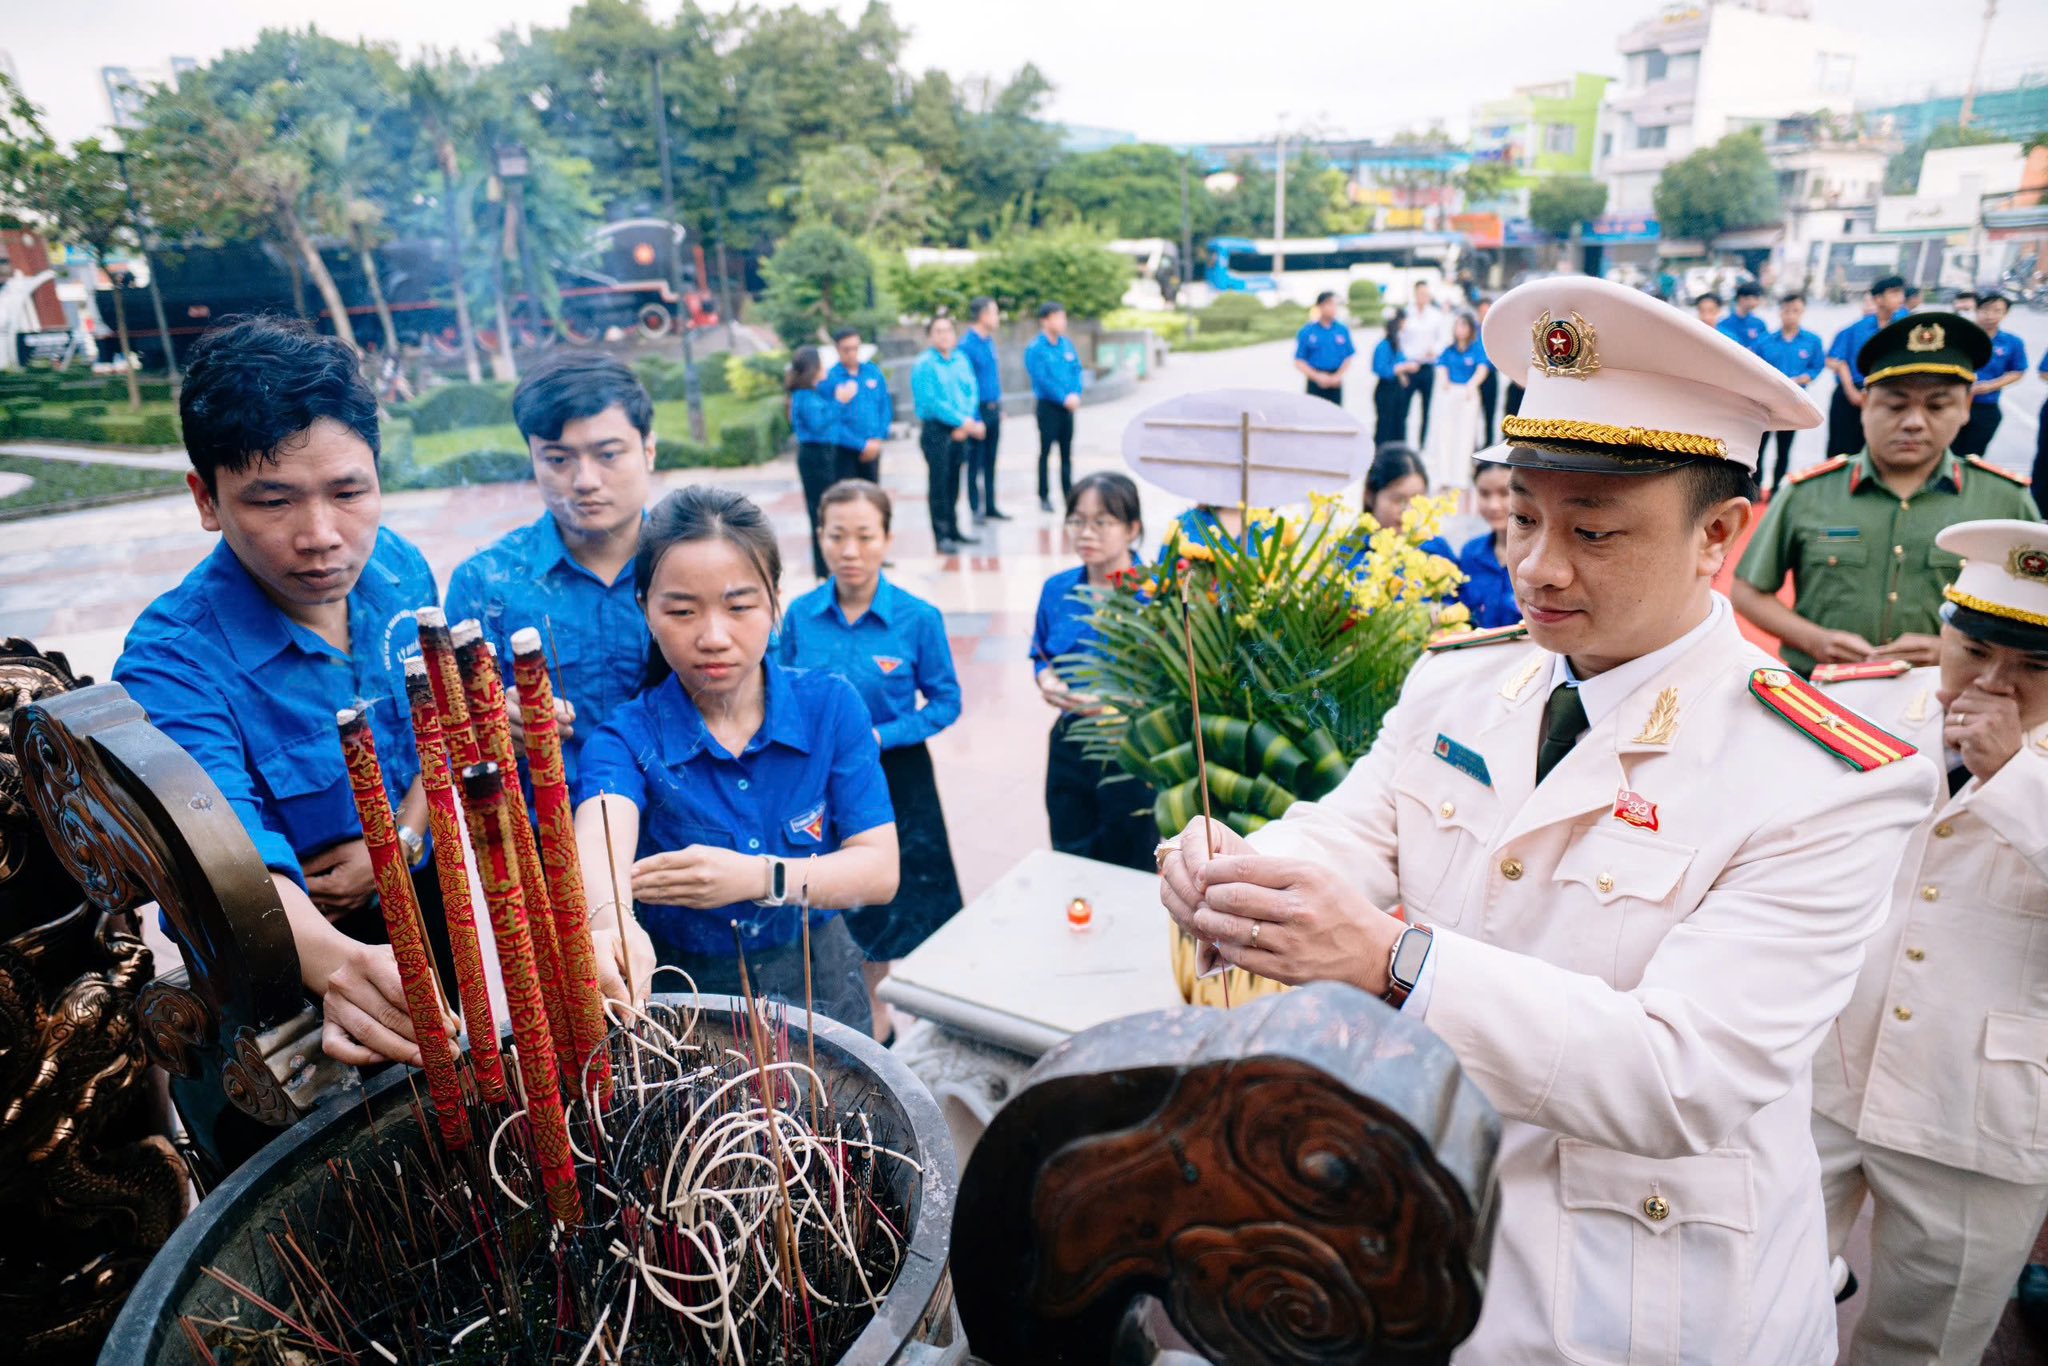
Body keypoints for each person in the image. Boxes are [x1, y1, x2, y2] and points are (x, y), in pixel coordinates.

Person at [1160, 274, 1935, 1362]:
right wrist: (1245, 868)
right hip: (1425, 1220)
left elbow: (1685, 1075)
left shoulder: (1825, 776)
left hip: (1642, 1290)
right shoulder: (1461, 684)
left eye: (1594, 530)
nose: (1537, 566)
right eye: (1523, 515)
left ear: (1718, 532)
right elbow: (1356, 830)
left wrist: (1393, 961)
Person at [113, 316, 452, 1069]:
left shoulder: (399, 569)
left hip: (431, 908)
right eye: (273, 502)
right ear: (207, 499)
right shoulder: (173, 662)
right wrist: (340, 965)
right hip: (286, 972)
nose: (322, 534)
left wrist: (400, 843)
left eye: (349, 491)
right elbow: (228, 864)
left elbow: (439, 731)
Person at [1808, 518, 2048, 1364]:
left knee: (1924, 1345)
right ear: (1940, 629)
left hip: (1978, 1112)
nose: (1992, 682)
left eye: (2034, 667)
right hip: (1824, 1068)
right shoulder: (1861, 702)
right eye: (1973, 649)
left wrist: (2014, 775)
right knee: (1744, 1298)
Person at [572, 486, 897, 1033]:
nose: (714, 637)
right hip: (689, 991)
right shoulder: (625, 738)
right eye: (682, 611)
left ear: (774, 602)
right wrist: (609, 921)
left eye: (739, 606)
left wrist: (759, 877)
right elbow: (600, 836)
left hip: (818, 976)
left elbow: (879, 870)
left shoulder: (830, 706)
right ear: (645, 609)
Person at [1733, 312, 2040, 676]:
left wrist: (1955, 649)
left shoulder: (2004, 501)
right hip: (1822, 694)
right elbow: (1748, 591)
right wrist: (1815, 640)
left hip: (1950, 695)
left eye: (1937, 406)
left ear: (1965, 409)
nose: (1914, 422)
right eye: (1896, 406)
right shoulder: (1807, 493)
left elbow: (2038, 609)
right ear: (1865, 404)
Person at [778, 481, 963, 1041]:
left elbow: (946, 700)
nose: (850, 551)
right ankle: (867, 1021)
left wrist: (884, 735)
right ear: (820, 537)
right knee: (838, 896)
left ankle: (895, 1020)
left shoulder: (917, 618)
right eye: (837, 536)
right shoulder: (801, 616)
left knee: (900, 900)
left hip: (898, 777)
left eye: (865, 536)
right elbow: (783, 691)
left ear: (887, 539)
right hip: (823, 780)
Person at [446, 350, 658, 783]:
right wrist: (492, 726)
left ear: (649, 450)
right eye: (558, 459)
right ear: (533, 457)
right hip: (546, 821)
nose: (585, 481)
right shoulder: (485, 585)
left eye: (608, 454)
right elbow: (448, 741)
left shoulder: (699, 567)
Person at [1034, 471, 1156, 872]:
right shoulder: (1057, 590)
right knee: (1072, 855)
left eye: (1102, 522)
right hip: (1071, 741)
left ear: (1133, 529)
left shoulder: (1157, 595)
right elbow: (1040, 652)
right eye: (1077, 520)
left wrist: (1118, 704)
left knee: (1133, 860)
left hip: (1133, 748)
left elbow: (1174, 679)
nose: (1086, 533)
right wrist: (1047, 681)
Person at [910, 315, 983, 555]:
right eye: (938, 331)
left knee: (954, 481)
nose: (944, 335)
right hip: (937, 430)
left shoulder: (961, 359)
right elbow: (931, 403)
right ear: (930, 336)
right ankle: (941, 534)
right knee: (939, 484)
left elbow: (972, 390)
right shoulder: (924, 364)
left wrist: (966, 421)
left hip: (963, 428)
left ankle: (954, 529)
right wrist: (962, 421)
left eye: (948, 330)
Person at [1824, 275, 1910, 459]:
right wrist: (1852, 392)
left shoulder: (1906, 327)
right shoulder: (1858, 328)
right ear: (1878, 299)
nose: (1900, 298)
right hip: (1852, 394)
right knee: (1841, 451)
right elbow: (1836, 360)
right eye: (1894, 293)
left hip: (1888, 396)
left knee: (1878, 451)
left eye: (1901, 293)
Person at [1752, 292, 1826, 494]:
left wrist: (1803, 379)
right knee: (1759, 447)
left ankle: (1777, 489)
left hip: (1794, 402)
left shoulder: (1812, 341)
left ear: (1802, 312)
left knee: (1784, 449)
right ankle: (1755, 486)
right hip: (1766, 402)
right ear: (1780, 312)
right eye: (1787, 311)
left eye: (1796, 311)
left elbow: (1817, 366)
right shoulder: (1765, 341)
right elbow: (1754, 366)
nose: (1791, 315)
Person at [785, 346, 841, 579]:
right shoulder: (804, 396)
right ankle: (823, 568)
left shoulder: (812, 392)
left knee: (825, 510)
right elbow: (819, 424)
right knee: (819, 511)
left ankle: (827, 566)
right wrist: (839, 402)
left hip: (822, 453)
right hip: (814, 456)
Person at [1026, 300, 1085, 512]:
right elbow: (1041, 379)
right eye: (1058, 317)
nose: (1062, 322)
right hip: (1048, 407)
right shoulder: (1036, 349)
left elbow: (1077, 370)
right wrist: (1063, 398)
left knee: (1066, 453)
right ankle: (1043, 495)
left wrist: (1076, 394)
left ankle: (1069, 494)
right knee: (1045, 453)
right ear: (1045, 321)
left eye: (1063, 317)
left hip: (1068, 408)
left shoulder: (1066, 344)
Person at [1423, 311, 1489, 494]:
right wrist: (1444, 382)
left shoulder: (1476, 349)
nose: (1460, 329)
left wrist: (1472, 385)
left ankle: (1460, 476)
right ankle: (1444, 475)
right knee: (1445, 434)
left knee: (1465, 434)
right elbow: (1441, 366)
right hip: (1450, 393)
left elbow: (1482, 369)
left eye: (1463, 325)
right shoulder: (1449, 349)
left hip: (1467, 394)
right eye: (1457, 325)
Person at [1956, 291, 2028, 458]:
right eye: (1986, 310)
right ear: (1977, 309)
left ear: (2005, 314)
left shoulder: (2011, 342)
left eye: (1997, 311)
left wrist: (1990, 386)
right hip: (1955, 402)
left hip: (1985, 406)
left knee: (1972, 456)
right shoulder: (1960, 336)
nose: (1990, 315)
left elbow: (2018, 371)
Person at [958, 296, 1010, 524]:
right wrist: (975, 417)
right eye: (995, 312)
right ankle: (975, 507)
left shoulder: (989, 342)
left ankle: (990, 505)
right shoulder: (966, 346)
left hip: (993, 409)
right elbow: (967, 385)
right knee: (975, 463)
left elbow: (992, 379)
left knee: (990, 461)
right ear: (983, 315)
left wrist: (999, 407)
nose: (997, 318)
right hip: (976, 411)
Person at [1455, 453, 1518, 628]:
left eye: (1504, 493)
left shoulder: (1540, 555)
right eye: (1484, 494)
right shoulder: (1470, 553)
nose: (1493, 505)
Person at [1363, 443, 1456, 562]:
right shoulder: (1348, 553)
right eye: (1397, 499)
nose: (1408, 511)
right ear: (1369, 496)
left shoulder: (1437, 550)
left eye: (1417, 500)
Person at [824, 327, 891, 483]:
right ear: (837, 349)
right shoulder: (831, 378)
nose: (852, 353)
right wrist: (860, 445)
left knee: (872, 492)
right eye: (846, 349)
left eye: (855, 348)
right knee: (847, 493)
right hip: (845, 449)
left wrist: (878, 438)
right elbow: (830, 419)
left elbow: (884, 407)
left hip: (873, 445)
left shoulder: (872, 372)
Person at [1404, 280, 1451, 444]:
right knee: (1404, 406)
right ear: (1415, 294)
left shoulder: (1436, 316)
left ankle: (1422, 443)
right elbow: (1401, 339)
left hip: (1427, 366)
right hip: (1409, 366)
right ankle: (1404, 441)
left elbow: (1443, 339)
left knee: (1426, 408)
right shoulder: (1407, 313)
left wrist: (1435, 350)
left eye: (1426, 294)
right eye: (1420, 294)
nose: (1423, 297)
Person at [1294, 290, 1356, 404]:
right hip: (1315, 381)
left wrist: (1337, 376)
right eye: (1330, 304)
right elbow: (1299, 361)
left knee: (1335, 413)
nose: (1334, 308)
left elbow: (1349, 356)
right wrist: (1317, 377)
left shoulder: (1342, 330)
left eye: (1336, 305)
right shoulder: (1307, 331)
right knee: (1314, 413)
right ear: (1320, 306)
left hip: (1336, 380)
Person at [1371, 309, 1421, 445]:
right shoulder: (1383, 345)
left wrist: (1403, 373)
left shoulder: (1398, 343)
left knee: (1398, 424)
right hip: (1386, 391)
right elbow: (1381, 369)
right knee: (1385, 426)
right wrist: (1403, 368)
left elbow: (1401, 360)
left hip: (1397, 390)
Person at [1474, 297, 1500, 448]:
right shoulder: (1473, 331)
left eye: (1487, 312)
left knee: (1489, 412)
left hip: (1490, 375)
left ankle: (1488, 443)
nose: (1484, 315)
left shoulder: (1495, 330)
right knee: (1472, 412)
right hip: (1474, 375)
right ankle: (1472, 443)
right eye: (1482, 312)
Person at [1719, 280, 1768, 351]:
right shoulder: (1725, 324)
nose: (1756, 302)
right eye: (1754, 298)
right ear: (1741, 298)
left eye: (1757, 298)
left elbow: (1765, 345)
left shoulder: (1759, 324)